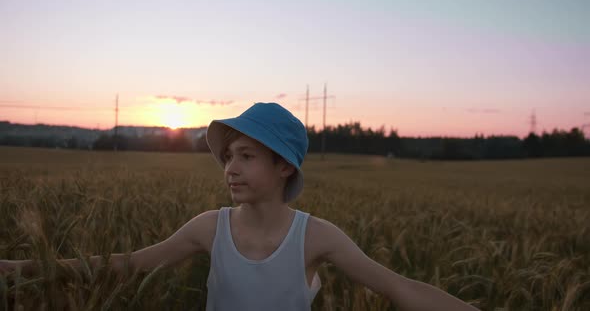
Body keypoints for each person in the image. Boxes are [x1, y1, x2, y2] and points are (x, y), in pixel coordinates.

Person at [0, 102, 479, 310]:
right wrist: (23, 266)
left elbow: (401, 290)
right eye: (228, 156)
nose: (230, 167)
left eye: (247, 157)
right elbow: (125, 265)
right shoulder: (210, 228)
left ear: (284, 166)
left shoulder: (316, 237)